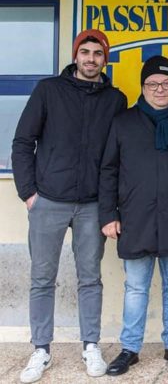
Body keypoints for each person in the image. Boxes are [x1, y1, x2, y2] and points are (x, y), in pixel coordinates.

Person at [12, 29, 127, 383]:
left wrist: (112, 205)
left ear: (105, 60)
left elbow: (118, 156)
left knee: (90, 279)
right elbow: (22, 141)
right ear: (76, 56)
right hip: (48, 200)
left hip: (93, 204)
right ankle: (41, 349)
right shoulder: (49, 91)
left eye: (98, 54)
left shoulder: (116, 99)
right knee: (42, 278)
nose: (91, 59)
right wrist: (29, 193)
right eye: (86, 52)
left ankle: (90, 345)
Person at [99, 55, 168, 376]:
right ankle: (129, 348)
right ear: (143, 87)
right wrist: (108, 215)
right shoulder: (123, 122)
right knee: (135, 288)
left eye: (166, 83)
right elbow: (107, 172)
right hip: (135, 219)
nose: (159, 89)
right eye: (152, 84)